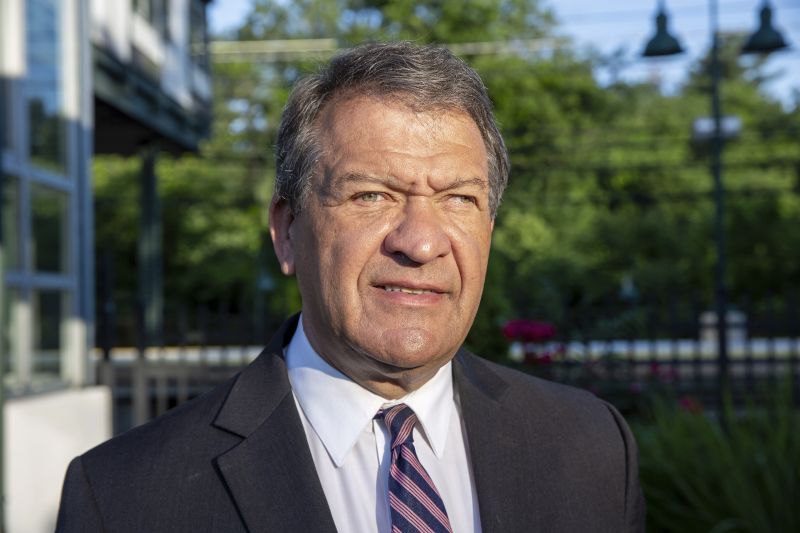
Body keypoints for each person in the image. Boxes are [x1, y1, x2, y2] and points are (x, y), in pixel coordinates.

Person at [56, 42, 645, 532]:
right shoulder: (125, 498)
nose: (420, 242)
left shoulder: (592, 450)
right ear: (288, 232)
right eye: (372, 196)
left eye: (458, 200)